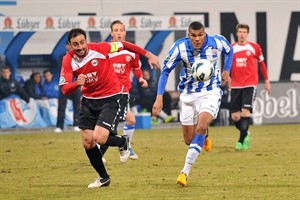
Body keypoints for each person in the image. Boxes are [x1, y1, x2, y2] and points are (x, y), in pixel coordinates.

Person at [59, 28, 159, 189]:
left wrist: (149, 55)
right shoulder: (68, 60)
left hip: (110, 97)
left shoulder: (100, 48)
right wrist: (76, 84)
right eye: (75, 44)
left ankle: (122, 141)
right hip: (88, 101)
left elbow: (125, 45)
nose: (79, 47)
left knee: (100, 138)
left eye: (82, 42)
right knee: (87, 142)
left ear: (86, 41)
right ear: (70, 45)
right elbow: (65, 89)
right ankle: (103, 177)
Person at [152, 21, 233, 186]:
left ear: (205, 33)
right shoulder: (179, 47)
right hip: (188, 95)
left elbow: (229, 50)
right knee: (189, 139)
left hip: (211, 92)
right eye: (193, 36)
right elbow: (165, 70)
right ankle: (205, 135)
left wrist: (227, 70)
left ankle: (184, 172)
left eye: (200, 35)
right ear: (188, 35)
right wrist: (159, 96)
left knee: (200, 127)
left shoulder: (216, 42)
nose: (197, 39)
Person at [99, 20, 149, 160]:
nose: (119, 32)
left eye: (121, 30)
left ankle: (125, 146)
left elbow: (136, 68)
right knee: (114, 124)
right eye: (116, 30)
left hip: (124, 93)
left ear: (125, 32)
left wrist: (140, 78)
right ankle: (120, 147)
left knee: (129, 121)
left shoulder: (133, 51)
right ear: (112, 33)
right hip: (110, 92)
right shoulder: (106, 50)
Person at [230, 23, 271, 150]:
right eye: (240, 32)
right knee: (235, 117)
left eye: (244, 32)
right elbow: (227, 66)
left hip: (250, 84)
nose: (242, 34)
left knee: (245, 112)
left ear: (247, 33)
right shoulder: (231, 49)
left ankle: (241, 141)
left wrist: (267, 80)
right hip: (236, 85)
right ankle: (245, 132)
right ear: (237, 33)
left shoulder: (254, 48)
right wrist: (226, 77)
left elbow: (262, 64)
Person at [54, 43, 81, 133]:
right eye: (68, 45)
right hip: (64, 84)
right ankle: (59, 126)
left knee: (77, 105)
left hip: (75, 84)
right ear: (66, 46)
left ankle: (76, 124)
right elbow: (61, 69)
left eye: (72, 45)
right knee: (62, 105)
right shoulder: (62, 57)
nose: (70, 47)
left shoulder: (78, 56)